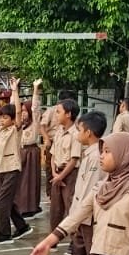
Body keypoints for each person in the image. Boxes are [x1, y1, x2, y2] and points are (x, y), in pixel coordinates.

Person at [48, 111, 107, 255]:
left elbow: (90, 190)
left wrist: (76, 217)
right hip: (81, 215)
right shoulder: (89, 153)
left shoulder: (96, 156)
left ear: (88, 133)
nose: (77, 134)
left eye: (80, 130)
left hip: (89, 217)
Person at [0, 103, 29, 244]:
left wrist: (15, 92)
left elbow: (18, 113)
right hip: (1, 168)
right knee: (8, 201)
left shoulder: (15, 130)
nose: (2, 120)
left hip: (12, 169)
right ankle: (22, 226)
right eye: (1, 117)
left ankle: (4, 234)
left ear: (13, 120)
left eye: (5, 117)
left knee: (2, 202)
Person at [46, 99, 82, 233]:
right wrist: (55, 173)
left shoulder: (76, 134)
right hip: (57, 173)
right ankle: (53, 237)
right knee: (55, 208)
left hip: (69, 174)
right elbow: (53, 154)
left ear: (68, 114)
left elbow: (74, 159)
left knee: (70, 206)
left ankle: (75, 239)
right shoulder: (59, 131)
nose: (56, 115)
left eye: (58, 112)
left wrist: (61, 176)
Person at [16, 81, 44, 219]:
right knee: (20, 181)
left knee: (30, 181)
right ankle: (21, 206)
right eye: (21, 111)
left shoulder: (35, 122)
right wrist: (15, 90)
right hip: (21, 152)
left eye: (25, 111)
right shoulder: (20, 125)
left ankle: (30, 207)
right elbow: (14, 107)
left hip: (31, 152)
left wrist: (35, 89)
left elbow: (35, 108)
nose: (23, 114)